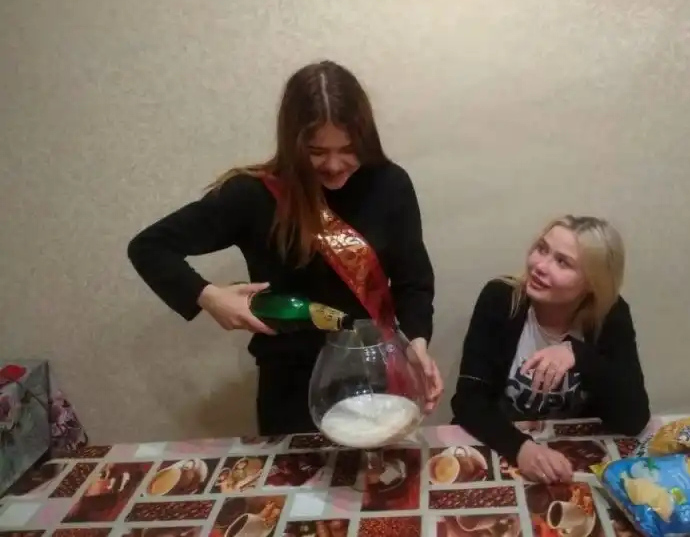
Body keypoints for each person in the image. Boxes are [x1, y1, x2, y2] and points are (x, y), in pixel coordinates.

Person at [128, 60, 443, 436]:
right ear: (292, 142)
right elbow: (149, 246)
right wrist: (209, 297)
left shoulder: (390, 185)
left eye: (348, 149)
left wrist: (416, 342)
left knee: (383, 475)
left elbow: (413, 281)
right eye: (316, 151)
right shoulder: (254, 194)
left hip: (378, 375)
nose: (334, 165)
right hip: (291, 389)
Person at [451, 215, 650, 484]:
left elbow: (633, 419)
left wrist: (580, 356)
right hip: (501, 442)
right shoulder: (501, 298)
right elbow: (468, 401)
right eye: (542, 249)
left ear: (592, 282)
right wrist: (520, 448)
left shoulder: (610, 314)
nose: (540, 266)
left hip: (571, 455)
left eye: (562, 262)